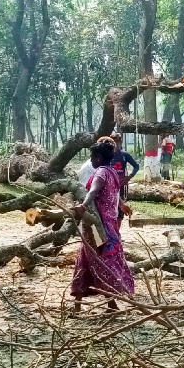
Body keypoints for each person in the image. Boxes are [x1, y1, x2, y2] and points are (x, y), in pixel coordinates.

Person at [70, 141, 134, 312]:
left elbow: (93, 191)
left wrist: (82, 206)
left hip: (97, 226)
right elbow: (114, 193)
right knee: (91, 259)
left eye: (92, 157)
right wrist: (122, 205)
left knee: (98, 261)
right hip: (109, 225)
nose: (91, 160)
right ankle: (102, 303)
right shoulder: (112, 172)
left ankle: (90, 304)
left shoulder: (100, 173)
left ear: (98, 158)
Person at [110, 132, 139, 225]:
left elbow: (136, 166)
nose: (115, 144)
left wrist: (129, 177)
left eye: (117, 141)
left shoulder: (124, 154)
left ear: (120, 142)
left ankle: (117, 231)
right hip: (109, 186)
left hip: (121, 186)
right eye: (113, 141)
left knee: (120, 209)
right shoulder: (107, 155)